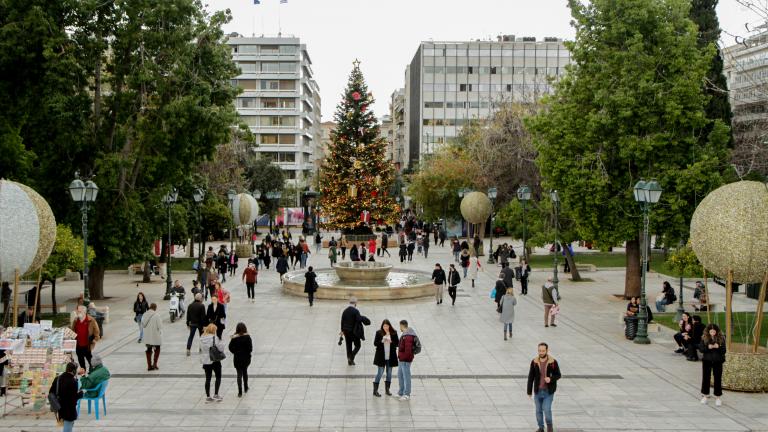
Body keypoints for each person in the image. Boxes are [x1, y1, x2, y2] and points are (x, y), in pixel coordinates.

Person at [526, 342, 562, 432]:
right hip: (538, 391)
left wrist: (550, 379)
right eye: (539, 351)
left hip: (548, 392)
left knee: (546, 409)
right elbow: (531, 377)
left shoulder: (552, 362)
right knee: (538, 411)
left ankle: (549, 427)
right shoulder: (534, 362)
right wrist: (529, 391)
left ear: (547, 350)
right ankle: (541, 428)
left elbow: (558, 375)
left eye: (543, 351)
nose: (541, 352)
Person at [49, 362, 83, 432]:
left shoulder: (57, 378)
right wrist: (81, 394)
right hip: (69, 409)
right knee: (68, 425)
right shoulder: (72, 381)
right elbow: (73, 398)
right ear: (73, 371)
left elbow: (51, 392)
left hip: (59, 407)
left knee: (67, 424)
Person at [699, 323, 726, 406]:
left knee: (717, 378)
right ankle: (705, 395)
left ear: (717, 331)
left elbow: (724, 350)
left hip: (718, 361)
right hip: (707, 361)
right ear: (708, 331)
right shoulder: (704, 338)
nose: (713, 333)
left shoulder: (721, 338)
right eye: (711, 332)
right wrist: (708, 347)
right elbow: (701, 349)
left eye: (714, 332)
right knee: (706, 378)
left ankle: (718, 397)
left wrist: (718, 347)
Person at [372, 319, 399, 397]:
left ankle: (387, 389)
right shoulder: (379, 333)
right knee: (380, 372)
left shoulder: (394, 333)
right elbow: (375, 343)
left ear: (389, 326)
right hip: (381, 356)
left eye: (387, 326)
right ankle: (375, 390)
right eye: (384, 326)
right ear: (382, 326)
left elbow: (397, 344)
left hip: (390, 356)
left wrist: (391, 341)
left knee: (389, 373)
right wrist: (382, 340)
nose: (385, 327)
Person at [200, 324, 226, 402]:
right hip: (215, 360)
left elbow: (201, 349)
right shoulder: (215, 338)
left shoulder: (201, 338)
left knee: (208, 378)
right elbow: (221, 349)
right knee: (218, 376)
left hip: (206, 361)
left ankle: (208, 396)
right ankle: (216, 394)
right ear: (213, 330)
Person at [340, 297, 369, 365]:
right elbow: (359, 319)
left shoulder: (345, 311)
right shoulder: (355, 311)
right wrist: (363, 318)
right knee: (358, 345)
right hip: (353, 332)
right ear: (355, 303)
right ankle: (351, 357)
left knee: (348, 346)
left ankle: (350, 360)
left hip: (346, 331)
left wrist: (342, 330)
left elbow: (342, 321)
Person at [397, 320, 420, 401]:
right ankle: (401, 392)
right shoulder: (405, 334)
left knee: (406, 376)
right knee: (400, 374)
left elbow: (408, 350)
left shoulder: (408, 336)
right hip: (402, 359)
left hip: (405, 360)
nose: (399, 327)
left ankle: (407, 394)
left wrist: (406, 359)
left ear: (402, 326)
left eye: (400, 326)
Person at [71, 305, 100, 370]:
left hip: (87, 344)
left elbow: (97, 331)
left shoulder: (91, 320)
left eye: (79, 311)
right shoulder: (76, 320)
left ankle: (92, 371)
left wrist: (95, 339)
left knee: (90, 359)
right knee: (80, 360)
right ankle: (83, 372)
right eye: (77, 311)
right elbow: (72, 330)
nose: (77, 313)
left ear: (84, 312)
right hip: (78, 344)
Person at [229, 322, 253, 398]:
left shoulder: (234, 338)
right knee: (245, 371)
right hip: (246, 358)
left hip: (237, 358)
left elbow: (230, 347)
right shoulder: (247, 337)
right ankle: (246, 387)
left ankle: (239, 392)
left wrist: (235, 352)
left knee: (239, 374)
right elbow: (250, 349)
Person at [141, 303, 163, 371]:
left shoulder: (144, 314)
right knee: (157, 349)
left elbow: (142, 325)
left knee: (148, 350)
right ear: (155, 308)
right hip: (155, 336)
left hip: (147, 337)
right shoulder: (156, 315)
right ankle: (155, 364)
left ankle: (149, 366)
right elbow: (160, 326)